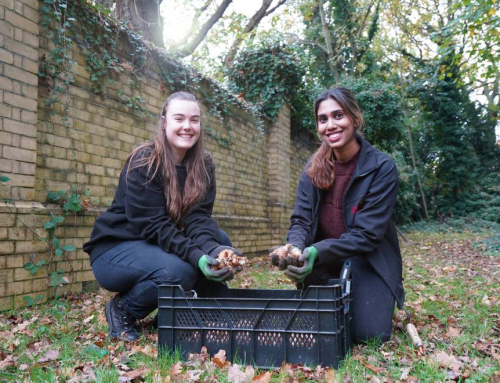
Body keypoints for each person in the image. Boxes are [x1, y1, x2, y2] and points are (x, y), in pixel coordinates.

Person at [83, 91, 241, 341]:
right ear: (164, 122)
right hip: (115, 248)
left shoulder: (203, 165)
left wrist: (214, 253)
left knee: (220, 240)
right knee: (179, 272)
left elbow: (198, 219)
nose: (187, 126)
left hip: (151, 244)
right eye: (179, 119)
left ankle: (172, 313)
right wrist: (198, 258)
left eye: (194, 120)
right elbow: (154, 225)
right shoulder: (145, 161)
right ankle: (121, 310)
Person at [271, 87, 404, 344]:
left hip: (367, 259)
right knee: (321, 327)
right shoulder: (313, 169)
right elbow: (301, 219)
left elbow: (367, 235)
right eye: (323, 119)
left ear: (354, 118)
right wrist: (296, 250)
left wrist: (316, 251)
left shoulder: (381, 168)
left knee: (369, 335)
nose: (330, 125)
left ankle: (374, 296)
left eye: (338, 115)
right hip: (323, 262)